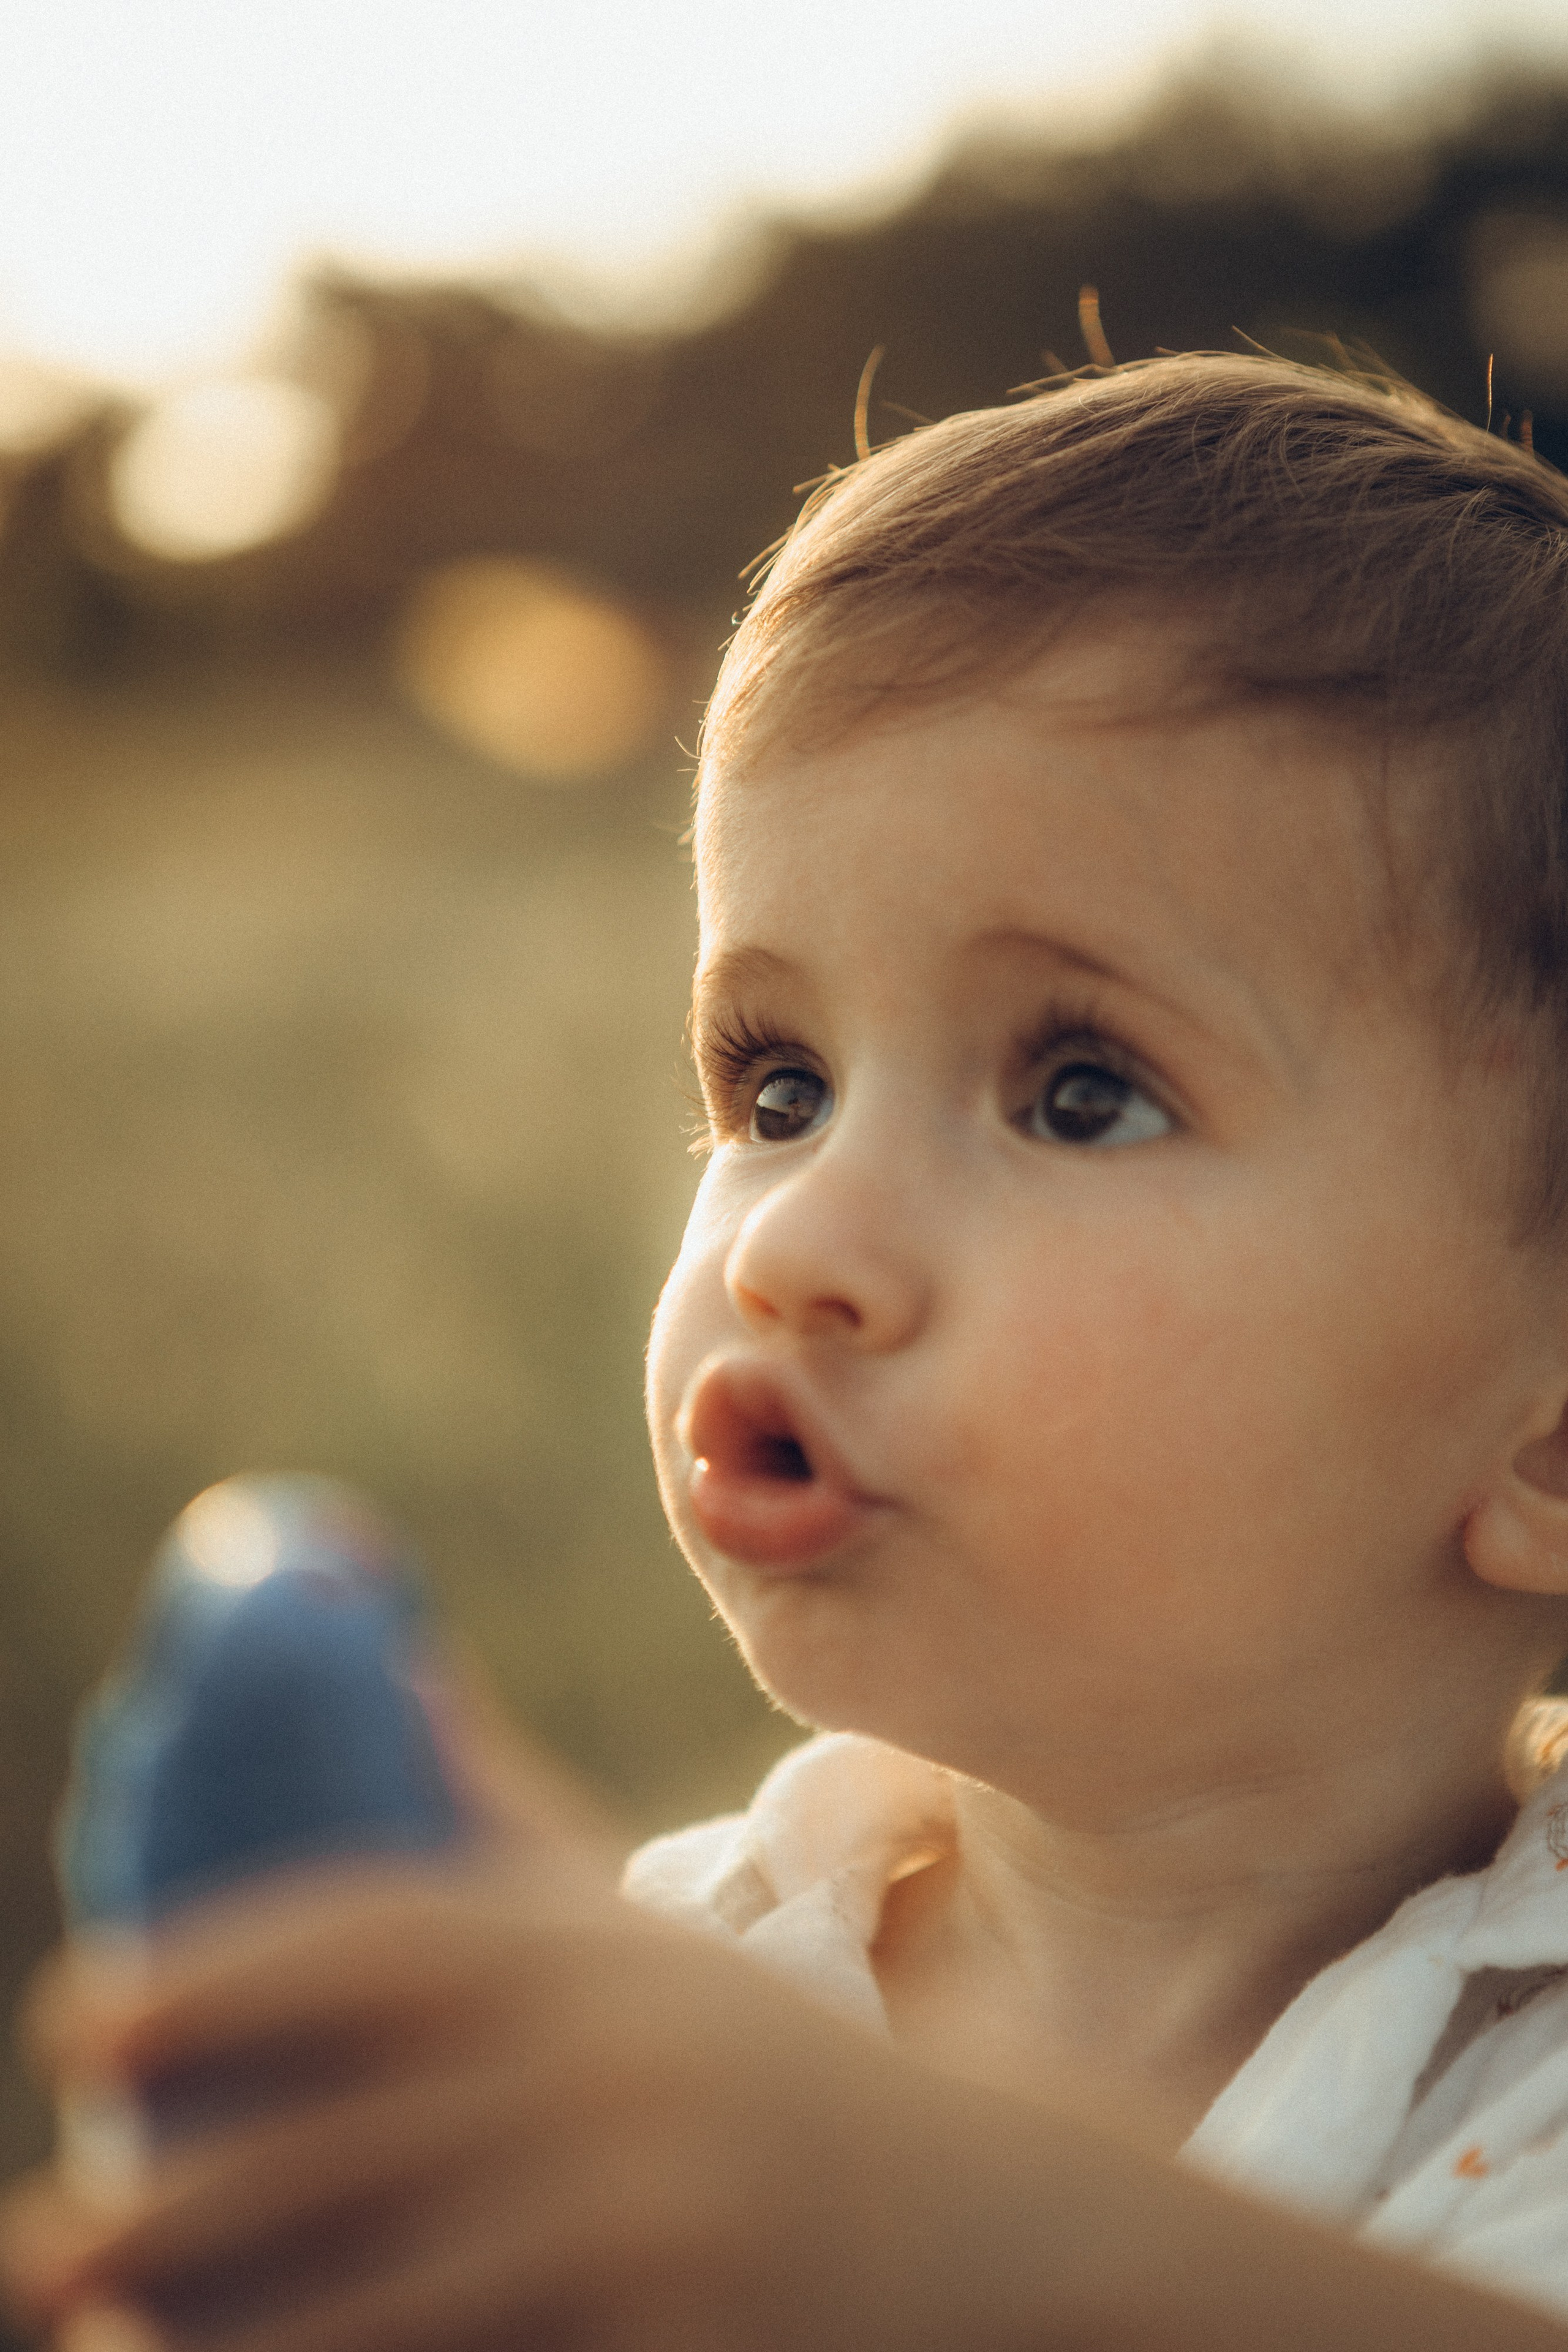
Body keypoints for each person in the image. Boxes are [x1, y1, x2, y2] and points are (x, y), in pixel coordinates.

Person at [7, 349, 1568, 2351]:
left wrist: (941, 2233)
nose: (794, 1240)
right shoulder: (674, 1996)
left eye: (1080, 1094)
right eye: (779, 1088)